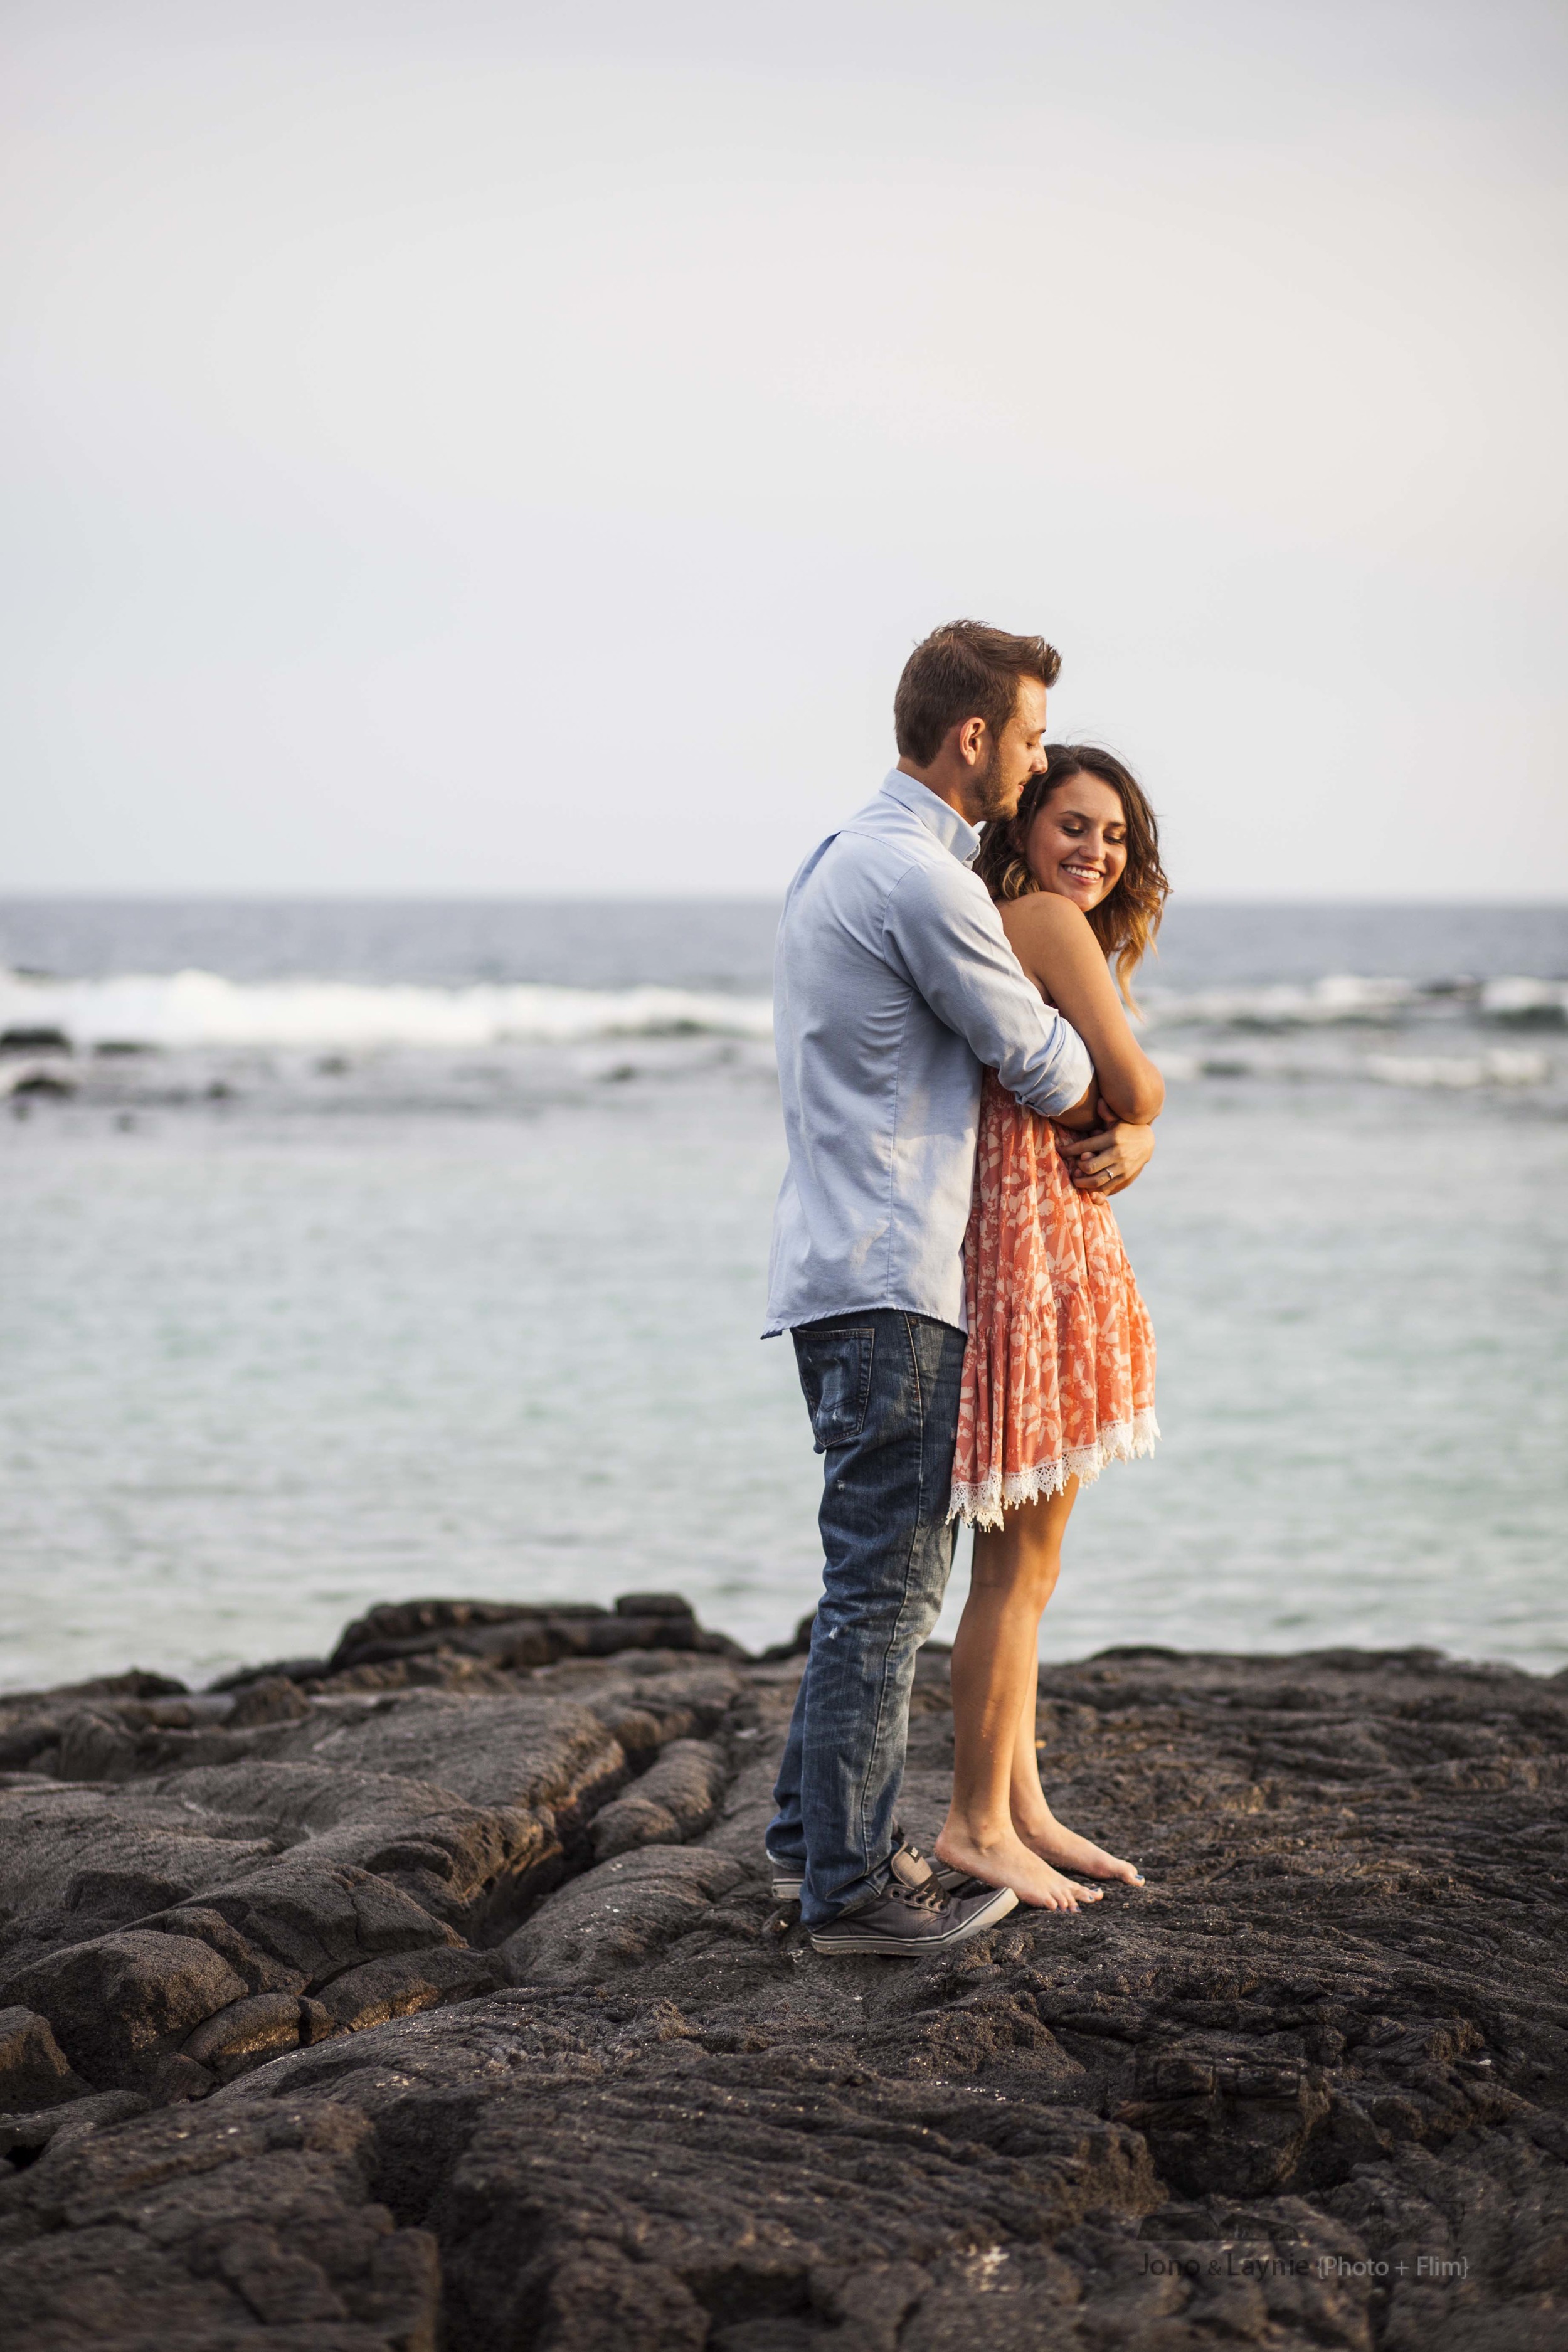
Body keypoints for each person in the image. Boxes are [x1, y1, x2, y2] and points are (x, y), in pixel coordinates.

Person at [763, 620, 1098, 1957]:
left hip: (839, 1270)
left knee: (866, 1582)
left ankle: (805, 1844)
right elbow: (1047, 1066)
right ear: (972, 739)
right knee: (886, 1597)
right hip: (893, 1278)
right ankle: (849, 1892)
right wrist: (1129, 1097)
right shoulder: (918, 880)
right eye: (1023, 740)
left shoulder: (842, 856)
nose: (1029, 762)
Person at [934, 746, 1169, 1912]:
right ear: (1028, 827)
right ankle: (977, 1820)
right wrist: (1150, 1123)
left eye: (1116, 835)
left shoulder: (999, 915)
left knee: (1026, 1562)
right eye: (1075, 824)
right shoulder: (1047, 925)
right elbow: (1130, 1083)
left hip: (1014, 1235)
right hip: (1038, 1240)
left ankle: (1019, 1802)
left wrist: (1138, 1127)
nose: (1097, 850)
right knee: (1020, 1567)